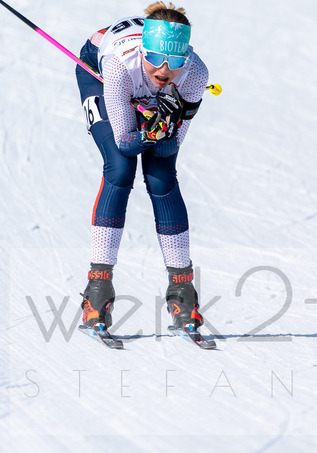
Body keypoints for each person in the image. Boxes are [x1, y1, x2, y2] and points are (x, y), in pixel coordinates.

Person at [75, 2, 209, 331]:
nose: (164, 70)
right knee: (120, 169)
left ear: (186, 57)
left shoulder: (195, 74)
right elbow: (125, 141)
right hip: (98, 69)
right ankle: (98, 289)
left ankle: (182, 291)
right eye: (156, 58)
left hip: (136, 83)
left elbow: (170, 149)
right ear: (143, 52)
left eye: (175, 61)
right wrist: (152, 132)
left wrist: (165, 130)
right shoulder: (120, 66)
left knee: (161, 176)